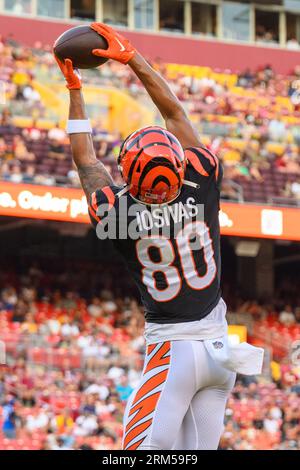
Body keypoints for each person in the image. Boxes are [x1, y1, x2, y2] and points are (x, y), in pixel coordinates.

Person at [54, 23, 263, 450]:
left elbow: (86, 159)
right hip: (220, 350)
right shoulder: (202, 177)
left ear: (127, 175)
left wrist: (75, 88)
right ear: (182, 165)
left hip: (174, 353)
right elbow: (175, 115)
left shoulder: (119, 213)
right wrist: (133, 58)